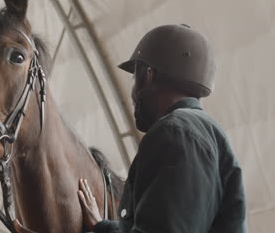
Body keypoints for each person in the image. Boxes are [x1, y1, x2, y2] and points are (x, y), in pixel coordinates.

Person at [78, 24, 247, 232]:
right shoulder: (199, 131)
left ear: (147, 76)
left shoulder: (176, 133)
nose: (132, 95)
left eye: (134, 78)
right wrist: (101, 226)